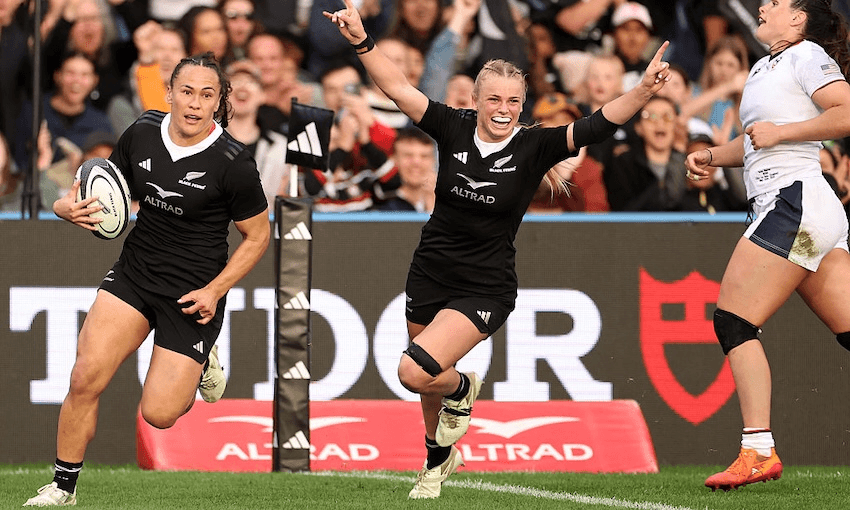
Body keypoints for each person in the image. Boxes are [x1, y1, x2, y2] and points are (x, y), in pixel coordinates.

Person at [325, 0, 671, 498]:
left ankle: (463, 388)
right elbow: (398, 87)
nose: (503, 109)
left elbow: (597, 124)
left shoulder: (535, 146)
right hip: (430, 269)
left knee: (413, 370)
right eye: (494, 100)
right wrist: (361, 39)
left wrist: (640, 89)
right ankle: (436, 461)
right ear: (476, 100)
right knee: (426, 382)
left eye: (513, 100)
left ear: (522, 103)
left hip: (484, 285)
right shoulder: (452, 126)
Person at [23, 52, 270, 506]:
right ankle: (62, 487)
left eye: (207, 95)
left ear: (219, 102)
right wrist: (65, 208)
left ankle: (202, 360)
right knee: (84, 378)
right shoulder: (140, 132)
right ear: (170, 93)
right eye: (187, 92)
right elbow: (109, 192)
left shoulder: (234, 161)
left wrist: (216, 290)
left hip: (194, 292)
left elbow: (257, 237)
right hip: (135, 274)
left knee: (158, 414)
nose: (195, 103)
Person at [685, 0, 850, 492]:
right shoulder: (765, 65)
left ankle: (757, 449)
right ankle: (757, 449)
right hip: (803, 208)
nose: (762, 5)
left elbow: (844, 112)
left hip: (794, 203)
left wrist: (785, 131)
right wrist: (715, 155)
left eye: (775, 3)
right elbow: (760, 140)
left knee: (734, 320)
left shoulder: (806, 55)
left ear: (798, 20)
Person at [225, 59, 297, 203]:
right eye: (236, 81)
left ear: (262, 95)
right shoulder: (207, 143)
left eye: (251, 82)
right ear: (223, 95)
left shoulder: (281, 147)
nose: (243, 87)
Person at [604, 95, 687, 211]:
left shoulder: (690, 164)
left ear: (677, 125)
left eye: (667, 116)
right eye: (650, 117)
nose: (660, 123)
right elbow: (622, 209)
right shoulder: (623, 164)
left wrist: (679, 158)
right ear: (638, 127)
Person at [372, 126, 436, 212]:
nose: (416, 163)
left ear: (434, 161)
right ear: (394, 159)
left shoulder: (454, 203)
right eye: (408, 155)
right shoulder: (380, 203)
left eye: (424, 156)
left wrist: (432, 202)